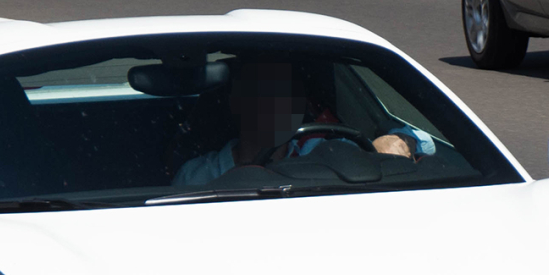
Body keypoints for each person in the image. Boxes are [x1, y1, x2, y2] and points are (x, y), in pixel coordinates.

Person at [170, 59, 418, 186]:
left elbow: (421, 141)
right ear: (238, 104)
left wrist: (395, 143)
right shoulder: (197, 174)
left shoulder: (326, 153)